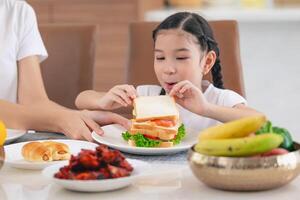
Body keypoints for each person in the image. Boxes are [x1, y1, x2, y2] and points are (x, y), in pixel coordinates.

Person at [75, 12, 261, 132]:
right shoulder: (149, 95)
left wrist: (206, 109)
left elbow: (258, 121)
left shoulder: (221, 100)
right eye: (160, 58)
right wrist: (103, 100)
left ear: (207, 62)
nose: (168, 69)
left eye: (181, 58)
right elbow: (81, 98)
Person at [0, 0, 130, 141]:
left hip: (8, 146)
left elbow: (34, 101)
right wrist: (59, 120)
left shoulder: (18, 11)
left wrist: (80, 117)